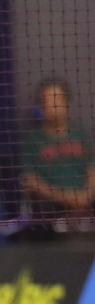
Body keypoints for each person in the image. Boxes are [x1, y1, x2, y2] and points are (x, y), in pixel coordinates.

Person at [20, 77, 94, 235]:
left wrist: (85, 196)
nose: (54, 105)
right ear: (41, 105)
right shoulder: (31, 140)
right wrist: (66, 197)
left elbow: (92, 169)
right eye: (48, 100)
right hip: (52, 204)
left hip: (86, 199)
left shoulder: (81, 134)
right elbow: (30, 180)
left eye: (58, 99)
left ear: (66, 102)